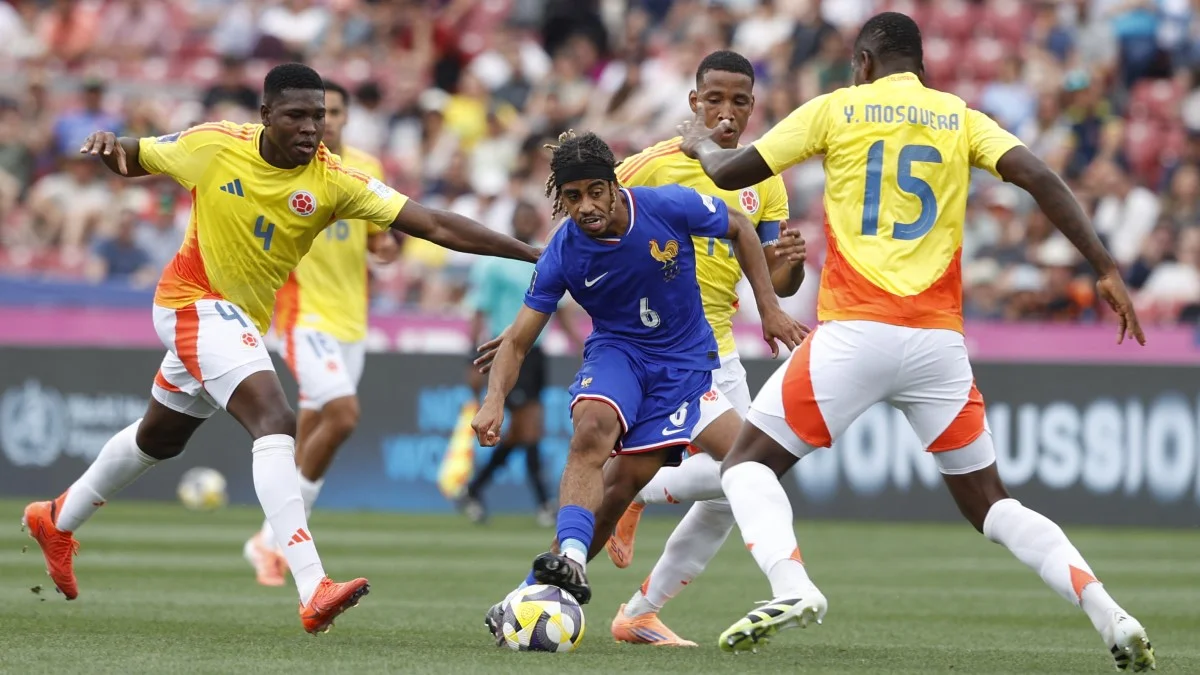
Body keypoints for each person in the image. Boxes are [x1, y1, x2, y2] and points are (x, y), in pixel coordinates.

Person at [676, 12, 1155, 671]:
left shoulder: (838, 108)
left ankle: (793, 585)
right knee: (993, 505)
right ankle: (1111, 612)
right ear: (921, 67)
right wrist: (1103, 267)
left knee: (746, 467)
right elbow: (1040, 176)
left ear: (864, 64)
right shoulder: (958, 115)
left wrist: (699, 145)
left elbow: (729, 173)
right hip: (936, 345)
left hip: (854, 332)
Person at [21, 63, 539, 635]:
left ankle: (56, 519)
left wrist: (534, 254)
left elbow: (435, 224)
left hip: (236, 318)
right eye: (296, 115)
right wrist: (106, 145)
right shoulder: (214, 145)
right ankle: (311, 584)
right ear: (265, 114)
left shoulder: (334, 180)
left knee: (159, 438)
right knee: (275, 417)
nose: (311, 127)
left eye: (318, 116)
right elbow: (134, 153)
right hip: (190, 299)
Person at [470, 130, 806, 644]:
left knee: (748, 466)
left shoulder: (666, 205)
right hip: (619, 357)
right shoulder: (563, 251)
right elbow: (516, 343)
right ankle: (572, 561)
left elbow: (739, 225)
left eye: (594, 192)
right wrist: (493, 400)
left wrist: (770, 308)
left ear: (612, 185)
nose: (585, 206)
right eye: (573, 196)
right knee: (591, 432)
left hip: (687, 369)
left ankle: (533, 590)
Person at [604, 50, 807, 646]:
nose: (725, 112)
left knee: (730, 491)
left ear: (752, 107)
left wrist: (785, 270)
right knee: (747, 471)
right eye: (713, 99)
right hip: (664, 349)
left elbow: (772, 279)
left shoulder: (763, 178)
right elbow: (586, 218)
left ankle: (640, 608)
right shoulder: (651, 166)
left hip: (721, 347)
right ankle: (633, 489)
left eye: (738, 101)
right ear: (693, 103)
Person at [242, 79, 401, 587]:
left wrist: (385, 248)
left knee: (312, 429)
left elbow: (379, 237)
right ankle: (283, 540)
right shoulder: (287, 168)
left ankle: (266, 540)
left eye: (331, 112)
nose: (323, 121)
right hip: (303, 315)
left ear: (347, 118)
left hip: (352, 322)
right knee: (342, 414)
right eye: (314, 112)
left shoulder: (366, 170)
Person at [458, 201, 578, 525]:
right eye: (520, 217)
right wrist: (473, 359)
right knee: (529, 429)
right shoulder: (496, 264)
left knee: (526, 432)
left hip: (536, 354)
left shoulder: (546, 257)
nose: (525, 222)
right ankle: (543, 503)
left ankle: (474, 489)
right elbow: (478, 310)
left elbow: (562, 309)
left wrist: (580, 344)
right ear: (512, 221)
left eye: (530, 217)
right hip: (506, 350)